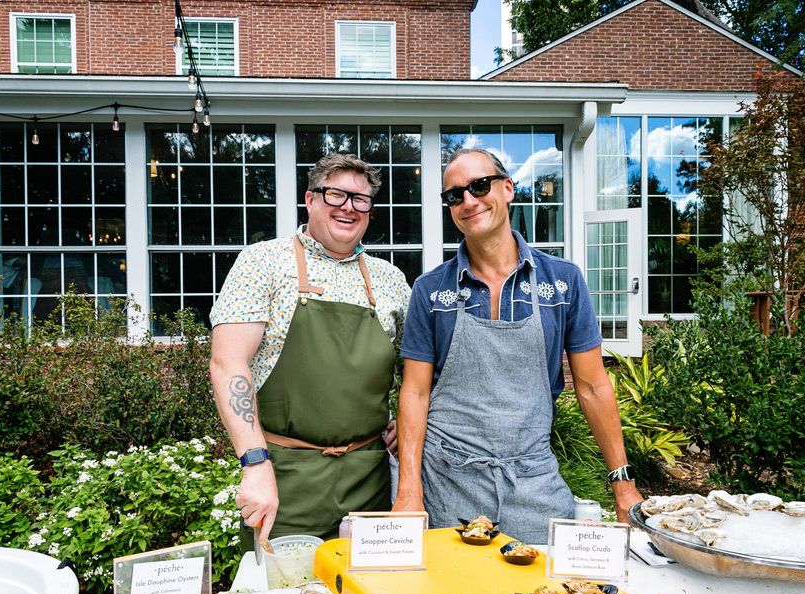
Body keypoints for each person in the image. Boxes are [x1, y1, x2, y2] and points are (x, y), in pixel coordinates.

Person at [391, 149, 642, 543]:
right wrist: (409, 492)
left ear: (507, 188)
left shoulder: (563, 282)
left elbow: (593, 388)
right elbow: (415, 392)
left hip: (533, 480)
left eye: (479, 186)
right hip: (447, 481)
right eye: (455, 195)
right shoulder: (431, 290)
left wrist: (623, 485)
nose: (469, 201)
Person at [209, 153, 411, 551]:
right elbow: (227, 362)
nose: (348, 207)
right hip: (285, 478)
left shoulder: (391, 280)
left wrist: (405, 420)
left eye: (361, 199)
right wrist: (254, 464)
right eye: (335, 194)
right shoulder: (263, 262)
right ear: (311, 199)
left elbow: (419, 369)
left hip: (368, 478)